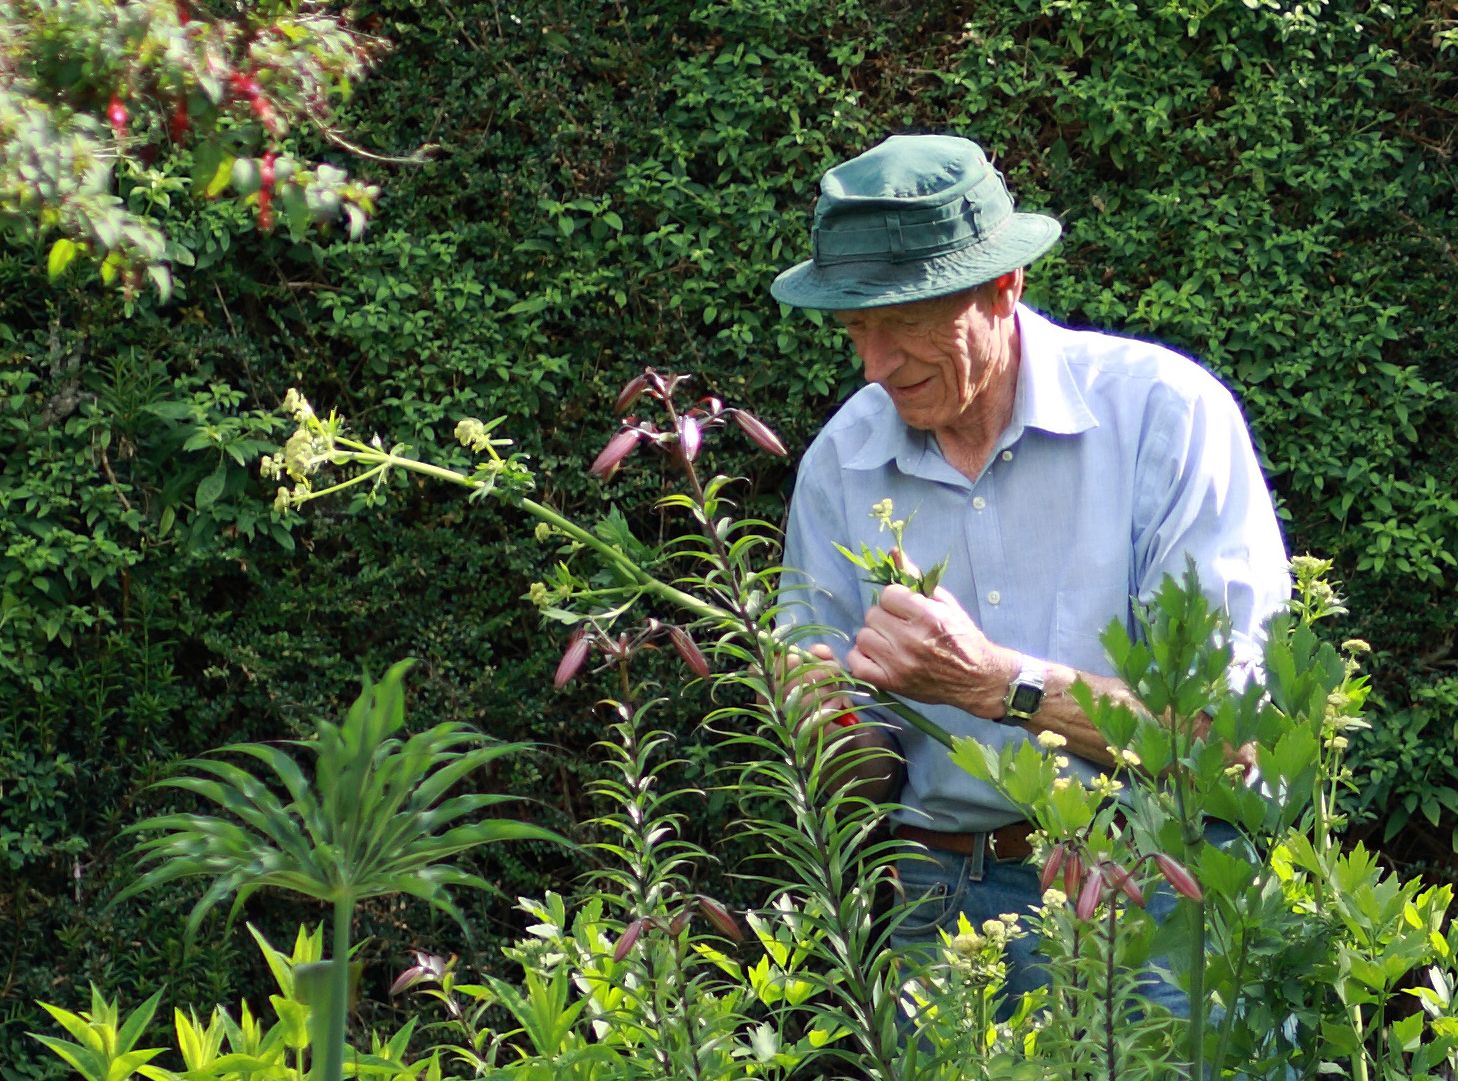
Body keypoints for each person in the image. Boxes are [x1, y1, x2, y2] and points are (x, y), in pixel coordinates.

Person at [769, 133, 1290, 1011]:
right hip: (943, 907)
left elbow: (1233, 741)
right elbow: (864, 781)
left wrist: (995, 681)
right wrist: (824, 730)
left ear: (1004, 287)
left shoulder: (1165, 419)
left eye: (903, 322)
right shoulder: (841, 463)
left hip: (1159, 889)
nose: (873, 364)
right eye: (856, 327)